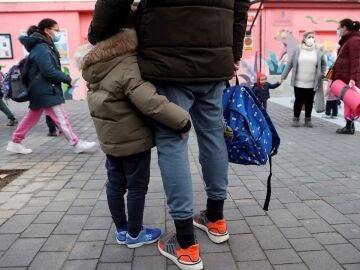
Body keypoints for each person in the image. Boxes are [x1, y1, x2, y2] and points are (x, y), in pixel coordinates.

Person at [88, 1, 250, 269]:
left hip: (167, 61)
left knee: (173, 142)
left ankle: (186, 244)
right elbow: (240, 5)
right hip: (214, 60)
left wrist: (98, 33)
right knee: (212, 135)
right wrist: (232, 52)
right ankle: (215, 219)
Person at [77, 20, 191, 248]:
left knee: (114, 184)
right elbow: (150, 101)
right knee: (136, 186)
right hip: (134, 142)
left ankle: (121, 230)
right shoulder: (127, 65)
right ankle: (135, 234)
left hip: (110, 140)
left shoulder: (94, 66)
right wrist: (182, 121)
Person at [6, 18, 96, 154]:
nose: (57, 33)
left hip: (40, 90)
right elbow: (48, 70)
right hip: (45, 90)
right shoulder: (42, 48)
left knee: (31, 118)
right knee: (61, 118)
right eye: (56, 30)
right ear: (47, 31)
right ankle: (76, 143)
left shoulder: (43, 46)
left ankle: (15, 142)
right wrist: (67, 79)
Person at [281, 30, 327, 128]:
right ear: (304, 39)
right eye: (309, 37)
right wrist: (283, 76)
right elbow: (290, 63)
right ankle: (296, 118)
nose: (311, 39)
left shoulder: (318, 50)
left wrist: (322, 74)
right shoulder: (297, 49)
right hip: (298, 82)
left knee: (309, 102)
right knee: (298, 100)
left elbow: (324, 63)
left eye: (313, 37)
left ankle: (308, 119)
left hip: (312, 82)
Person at [333, 18, 360, 134]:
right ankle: (349, 126)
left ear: (344, 28)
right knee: (348, 101)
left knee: (350, 102)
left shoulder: (353, 40)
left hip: (349, 77)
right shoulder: (348, 40)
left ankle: (349, 127)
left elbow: (356, 61)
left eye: (339, 28)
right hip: (345, 76)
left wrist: (353, 78)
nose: (337, 30)